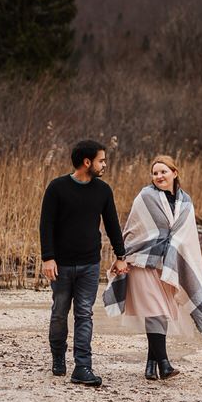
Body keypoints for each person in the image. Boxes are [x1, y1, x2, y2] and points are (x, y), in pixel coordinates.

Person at [103, 155, 202, 380]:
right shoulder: (145, 197)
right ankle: (164, 364)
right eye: (155, 173)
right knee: (157, 310)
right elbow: (134, 230)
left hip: (168, 267)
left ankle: (150, 365)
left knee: (159, 315)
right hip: (142, 263)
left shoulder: (186, 202)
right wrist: (122, 258)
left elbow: (187, 236)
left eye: (163, 172)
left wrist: (176, 250)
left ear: (174, 173)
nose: (159, 176)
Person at [40, 139, 125, 387]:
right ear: (87, 162)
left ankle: (83, 367)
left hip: (90, 264)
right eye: (101, 160)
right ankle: (58, 356)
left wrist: (121, 256)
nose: (104, 164)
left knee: (84, 314)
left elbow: (112, 225)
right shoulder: (57, 188)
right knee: (59, 314)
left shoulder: (103, 190)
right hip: (62, 265)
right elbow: (46, 225)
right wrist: (48, 257)